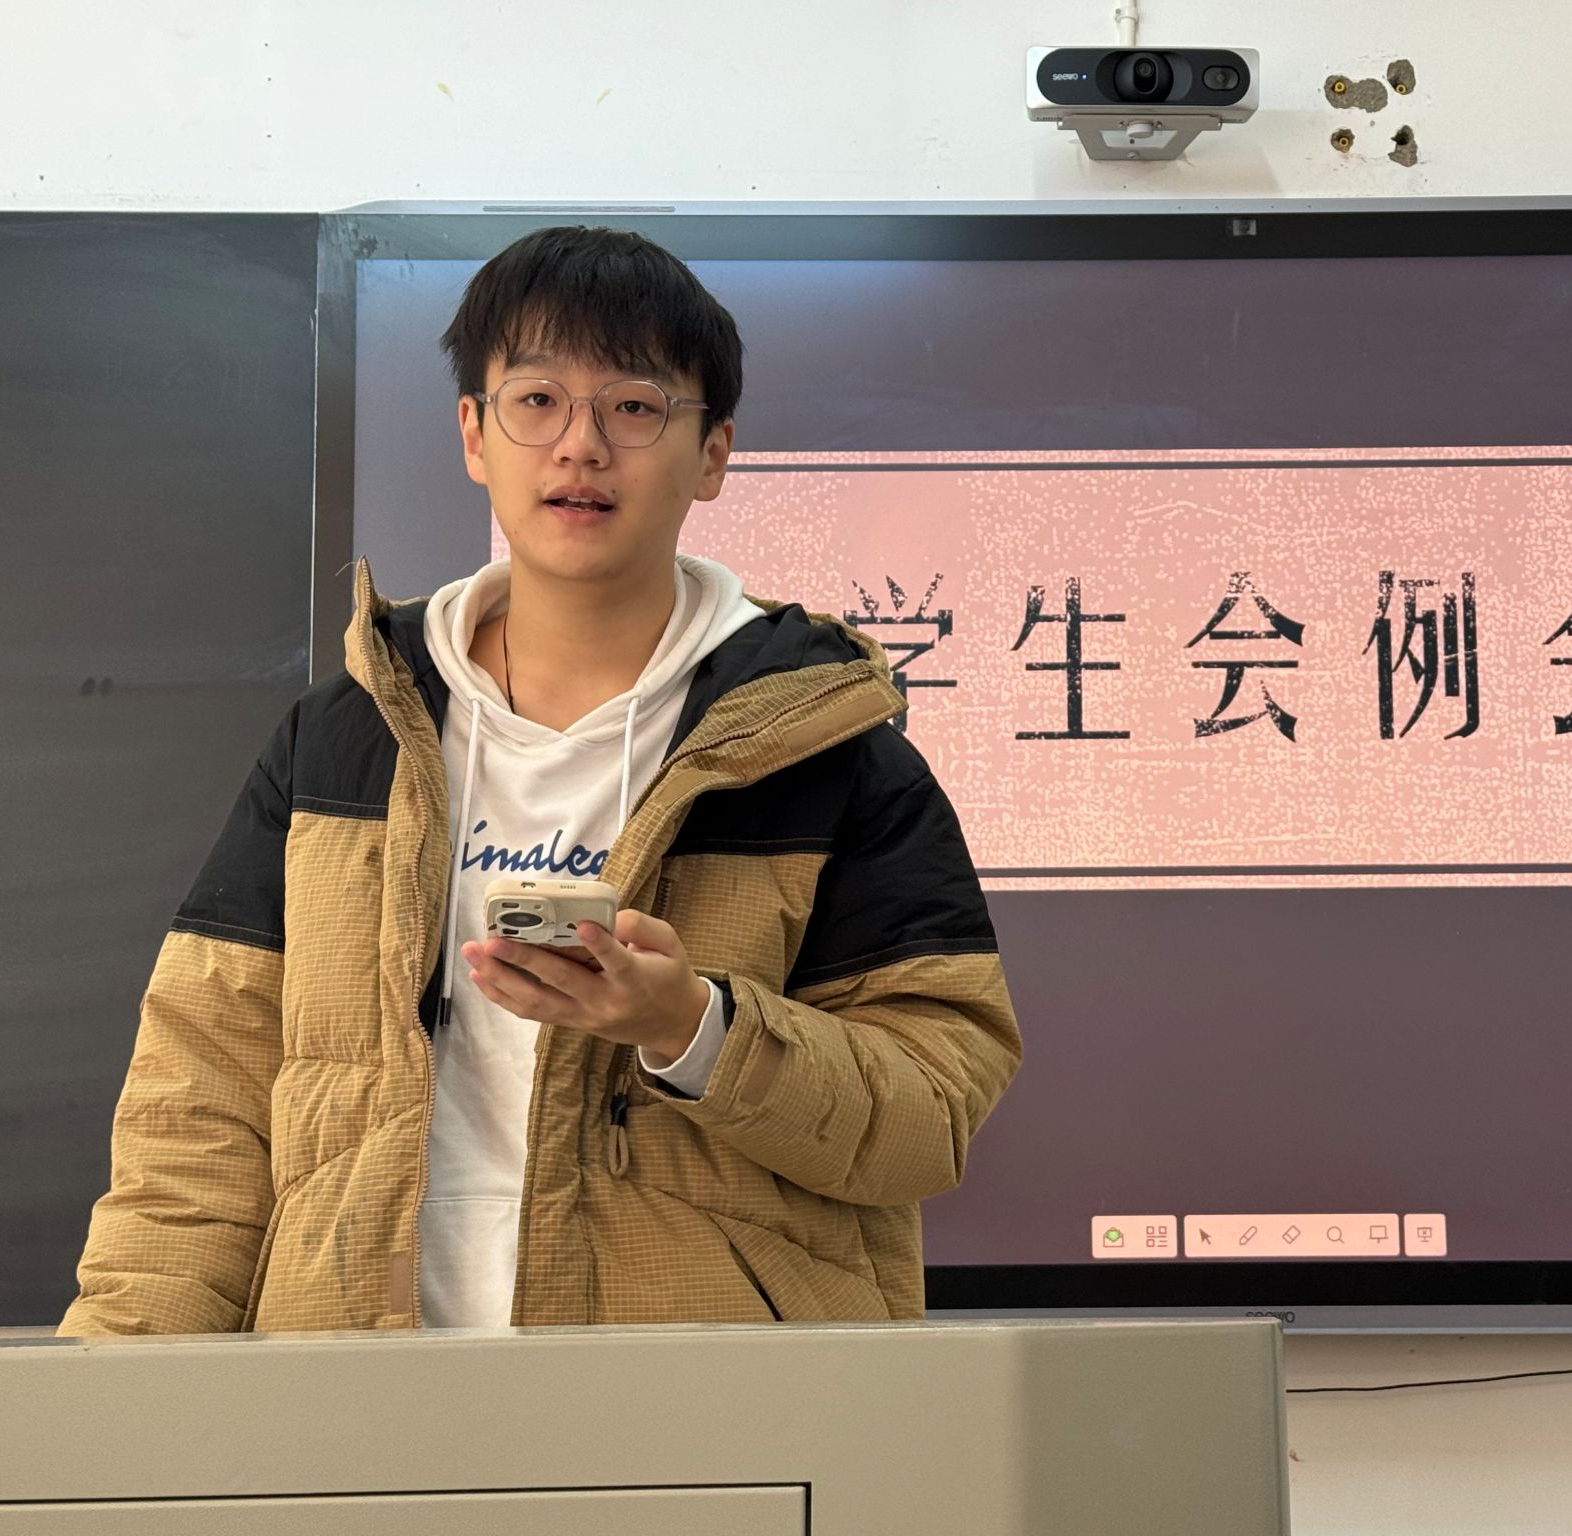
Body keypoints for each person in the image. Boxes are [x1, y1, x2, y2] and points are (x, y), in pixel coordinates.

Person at [60, 226, 1022, 1334]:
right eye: (536, 401)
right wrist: (117, 1392)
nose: (580, 446)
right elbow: (199, 1108)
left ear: (712, 453)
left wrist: (692, 1026)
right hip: (352, 1396)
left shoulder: (827, 751)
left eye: (634, 406)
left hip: (703, 1405)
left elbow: (930, 1113)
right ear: (475, 433)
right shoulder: (342, 739)